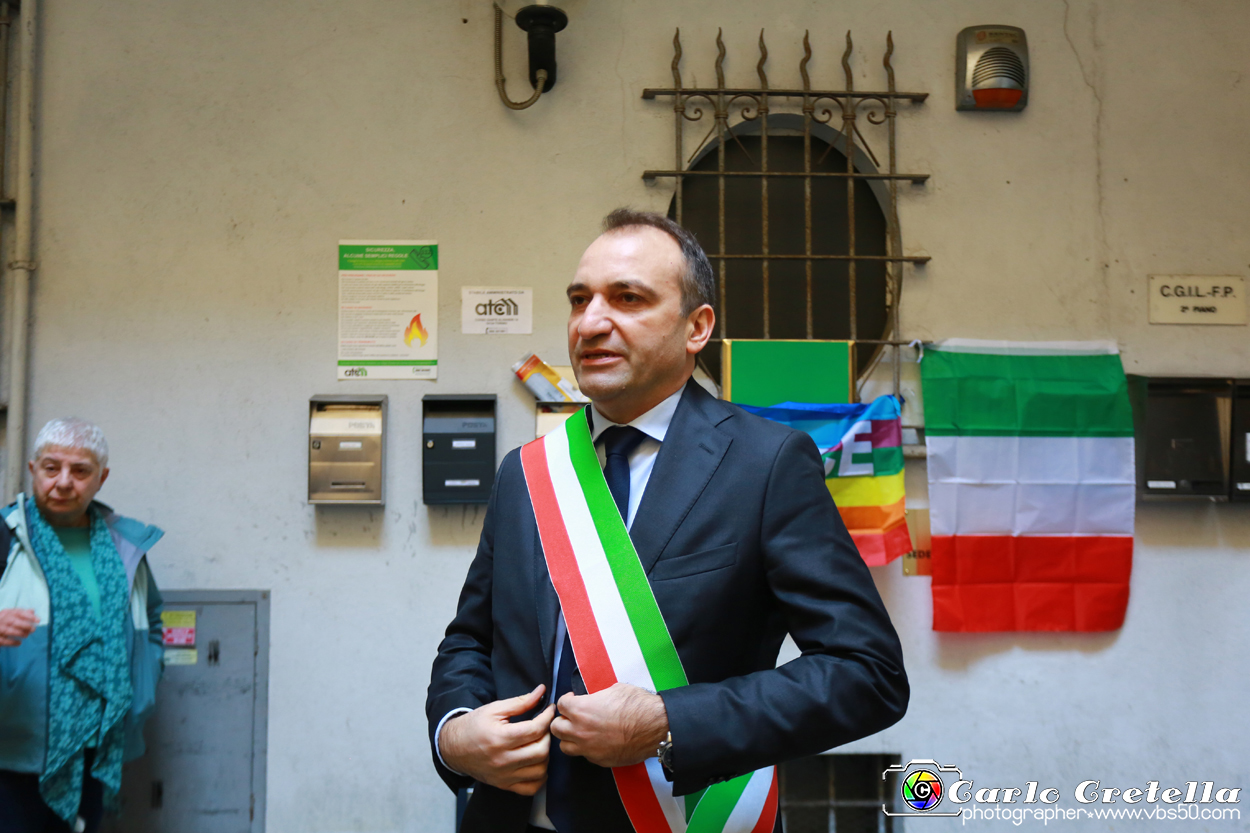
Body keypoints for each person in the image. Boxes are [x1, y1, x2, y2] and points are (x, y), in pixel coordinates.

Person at [426, 209, 908, 832]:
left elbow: (866, 672)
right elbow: (470, 641)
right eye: (580, 300)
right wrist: (454, 733)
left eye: (628, 298)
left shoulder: (764, 464)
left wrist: (669, 722)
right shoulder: (527, 472)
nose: (590, 322)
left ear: (696, 327)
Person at [0, 418, 165, 833]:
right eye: (51, 468)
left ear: (101, 478)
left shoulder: (125, 546)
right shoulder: (5, 538)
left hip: (99, 743)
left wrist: (147, 680)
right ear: (33, 470)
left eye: (80, 471)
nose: (63, 482)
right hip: (13, 746)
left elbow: (152, 622)